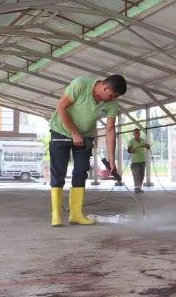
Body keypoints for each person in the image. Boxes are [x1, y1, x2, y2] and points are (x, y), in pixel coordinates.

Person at [48, 74, 127, 227]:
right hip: (61, 131)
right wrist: (74, 132)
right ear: (105, 87)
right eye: (111, 95)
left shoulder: (112, 103)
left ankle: (76, 214)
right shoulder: (80, 85)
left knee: (81, 171)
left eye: (115, 97)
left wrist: (112, 160)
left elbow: (110, 130)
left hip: (86, 136)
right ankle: (56, 215)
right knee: (58, 172)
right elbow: (61, 107)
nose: (112, 99)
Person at [127, 128, 151, 193]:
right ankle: (136, 188)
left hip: (142, 161)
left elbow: (148, 147)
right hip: (135, 161)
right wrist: (131, 150)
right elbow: (128, 150)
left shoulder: (143, 141)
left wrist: (148, 146)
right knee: (136, 174)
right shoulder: (131, 141)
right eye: (136, 133)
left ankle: (139, 188)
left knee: (142, 175)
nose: (138, 134)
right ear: (134, 134)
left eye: (139, 133)